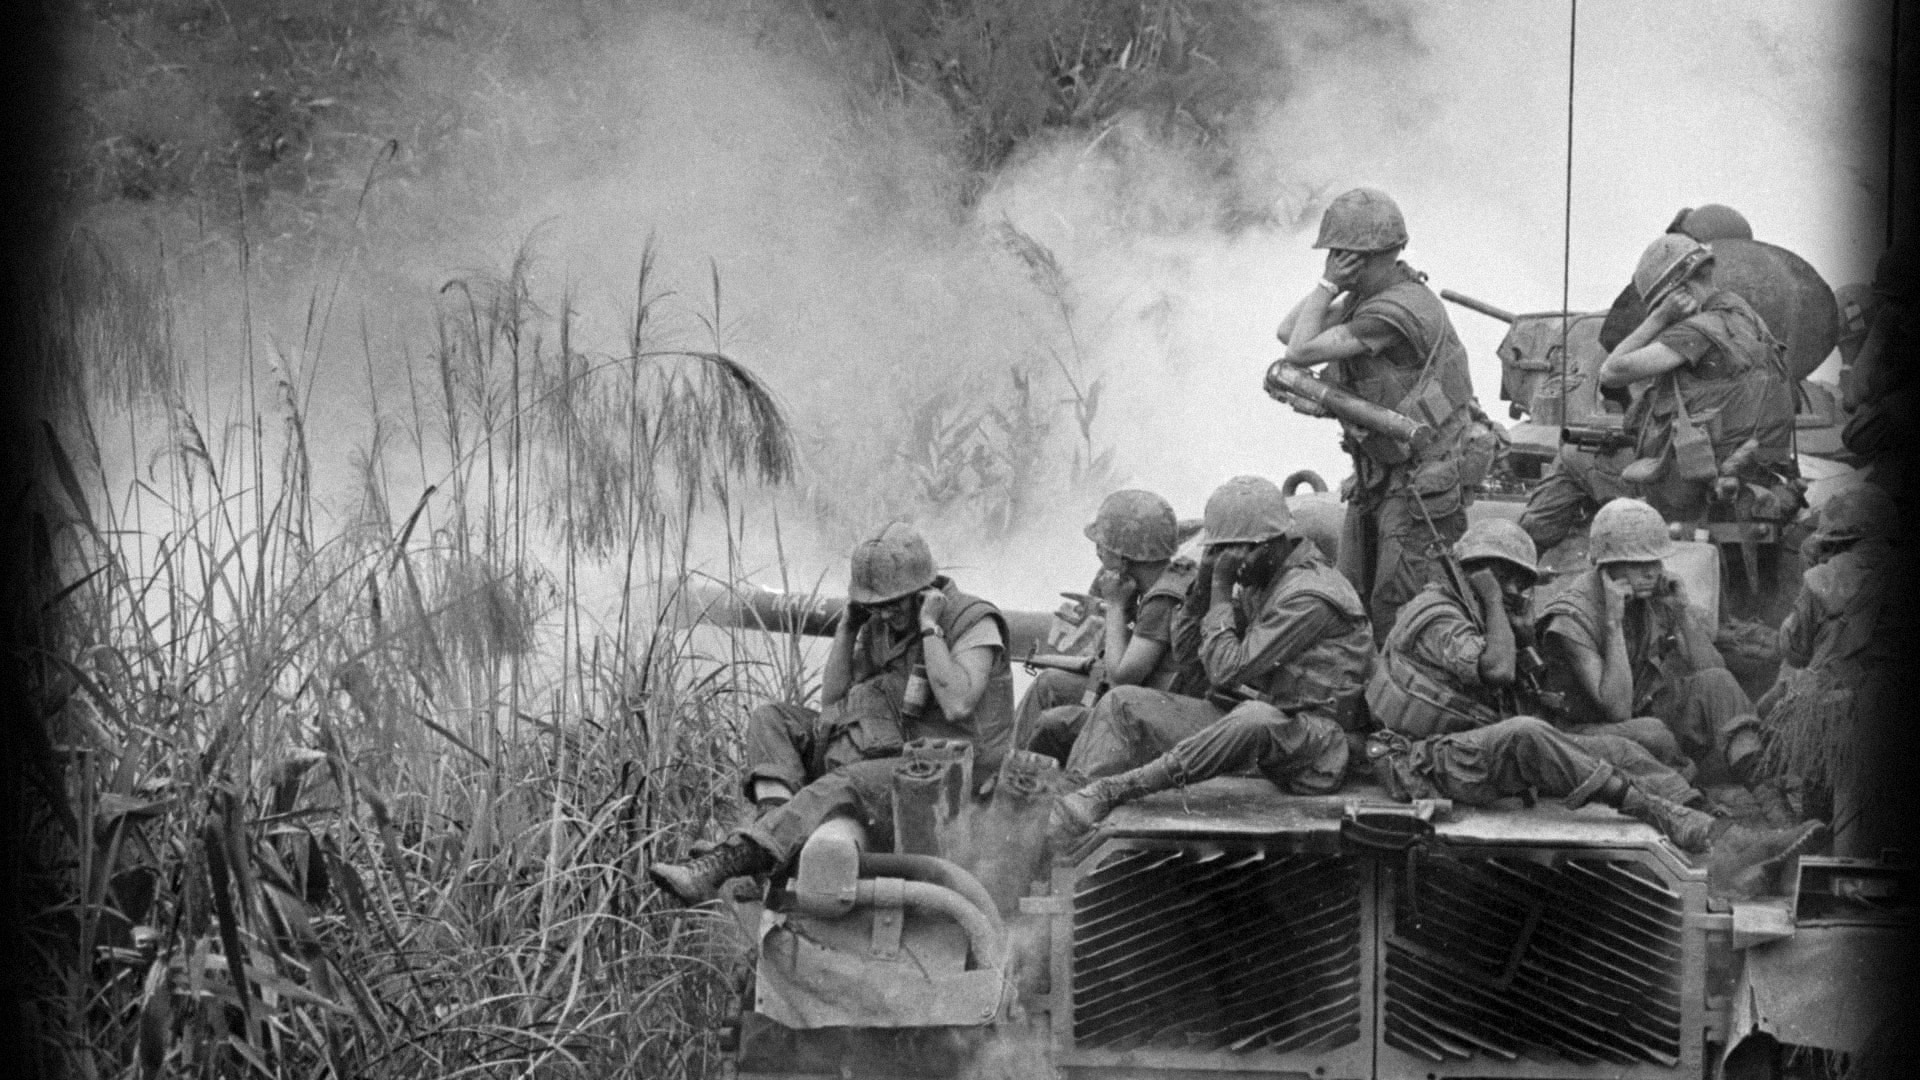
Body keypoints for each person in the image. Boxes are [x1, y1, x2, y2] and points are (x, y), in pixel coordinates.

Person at [650, 522, 1014, 903]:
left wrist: (928, 628)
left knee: (844, 782)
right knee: (771, 720)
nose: (885, 615)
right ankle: (767, 842)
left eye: (893, 605)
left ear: (924, 592)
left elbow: (958, 703)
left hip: (949, 775)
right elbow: (834, 703)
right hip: (889, 752)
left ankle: (721, 864)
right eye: (876, 607)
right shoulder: (879, 625)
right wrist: (848, 627)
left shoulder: (972, 621)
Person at [1051, 475, 1373, 830]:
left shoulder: (1309, 597)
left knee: (1253, 717)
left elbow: (1227, 669)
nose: (1223, 562)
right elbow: (1193, 658)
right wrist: (1203, 588)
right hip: (1265, 730)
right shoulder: (1264, 581)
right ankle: (1067, 816)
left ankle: (1112, 791)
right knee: (1123, 703)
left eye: (1227, 552)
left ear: (1262, 546)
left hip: (1315, 747)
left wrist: (1220, 589)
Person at [1276, 187, 1479, 633]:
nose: (1334, 262)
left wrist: (1328, 284)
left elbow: (1299, 349)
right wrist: (1332, 287)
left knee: (1400, 605)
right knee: (1354, 592)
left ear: (1362, 257)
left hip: (1422, 481)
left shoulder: (1396, 310)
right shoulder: (1367, 298)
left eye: (1341, 254)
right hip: (1381, 474)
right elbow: (1287, 330)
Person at [1521, 230, 1796, 553]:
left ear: (1676, 291)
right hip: (1750, 472)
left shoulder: (1696, 332)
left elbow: (1612, 371)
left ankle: (1523, 557)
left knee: (1571, 456)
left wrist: (1659, 317)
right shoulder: (1748, 321)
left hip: (1686, 487)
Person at [1363, 719, 1824, 898]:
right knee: (1529, 733)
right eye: (1503, 577)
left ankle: (1726, 845)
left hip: (1472, 736)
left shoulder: (1470, 603)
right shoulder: (1438, 612)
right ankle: (1695, 832)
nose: (1513, 588)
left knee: (1624, 747)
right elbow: (1493, 670)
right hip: (1432, 754)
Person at [1533, 497, 1763, 784]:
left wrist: (1681, 611)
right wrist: (1613, 623)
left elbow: (1712, 668)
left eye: (1655, 560)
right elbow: (1617, 710)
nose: (1651, 572)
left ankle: (1759, 782)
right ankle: (1686, 793)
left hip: (1642, 712)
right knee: (1653, 734)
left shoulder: (1649, 598)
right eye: (1638, 563)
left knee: (1719, 684)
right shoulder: (1572, 617)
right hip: (1585, 732)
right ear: (1608, 565)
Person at [1758, 485, 1914, 857]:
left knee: (1815, 783)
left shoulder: (1822, 579)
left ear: (1831, 539)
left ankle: (1820, 852)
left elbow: (1794, 651)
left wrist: (1809, 574)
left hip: (1837, 711)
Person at [1017, 489, 1198, 765]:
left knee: (1054, 724)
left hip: (1158, 716)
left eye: (1103, 545)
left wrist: (1115, 605)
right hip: (1147, 701)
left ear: (1123, 556)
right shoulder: (1161, 582)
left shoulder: (1163, 600)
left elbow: (1122, 677)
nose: (1098, 551)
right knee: (1049, 684)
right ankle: (1008, 766)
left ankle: (1027, 788)